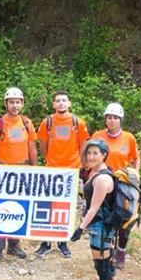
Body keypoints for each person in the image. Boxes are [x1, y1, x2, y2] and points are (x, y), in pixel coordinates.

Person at [0, 87, 36, 263]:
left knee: (19, 207)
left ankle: (14, 245)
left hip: (22, 172)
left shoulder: (27, 123)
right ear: (6, 104)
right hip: (2, 171)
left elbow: (32, 148)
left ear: (22, 103)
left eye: (18, 102)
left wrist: (35, 170)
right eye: (12, 102)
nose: (15, 105)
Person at [35, 91, 89, 258]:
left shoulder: (77, 122)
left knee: (67, 206)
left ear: (69, 103)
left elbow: (83, 145)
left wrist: (79, 164)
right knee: (48, 205)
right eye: (58, 101)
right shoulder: (47, 122)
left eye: (64, 100)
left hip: (71, 170)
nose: (61, 103)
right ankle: (45, 243)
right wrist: (50, 159)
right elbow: (42, 145)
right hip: (52, 169)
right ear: (53, 104)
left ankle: (63, 242)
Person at [70, 139, 117, 280]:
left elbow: (94, 208)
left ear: (104, 155)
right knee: (107, 263)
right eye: (89, 153)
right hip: (101, 226)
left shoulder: (103, 178)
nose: (90, 156)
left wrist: (80, 228)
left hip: (100, 227)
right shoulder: (95, 173)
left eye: (95, 153)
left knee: (103, 266)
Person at [90, 103, 140, 269]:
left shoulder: (128, 137)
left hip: (123, 183)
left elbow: (136, 157)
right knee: (105, 215)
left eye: (115, 118)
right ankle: (107, 249)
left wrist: (135, 174)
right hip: (103, 181)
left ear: (120, 120)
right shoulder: (98, 136)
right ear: (105, 119)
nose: (112, 121)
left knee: (125, 217)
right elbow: (91, 156)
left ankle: (121, 251)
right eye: (109, 118)